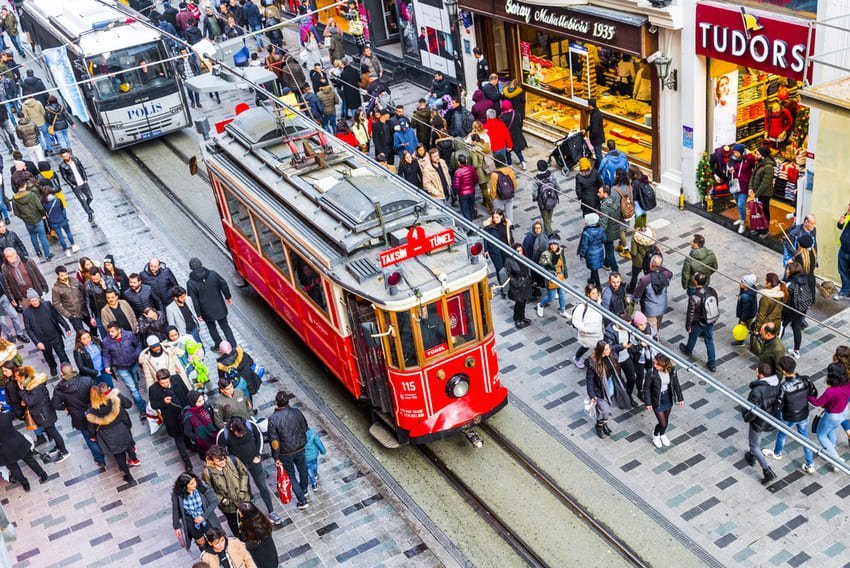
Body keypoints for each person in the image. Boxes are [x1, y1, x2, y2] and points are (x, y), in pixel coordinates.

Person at [219, 416, 283, 525]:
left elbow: (259, 438)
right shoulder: (223, 434)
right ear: (232, 429)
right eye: (239, 434)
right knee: (245, 488)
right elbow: (221, 452)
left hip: (254, 462)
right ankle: (251, 510)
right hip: (239, 466)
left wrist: (258, 454)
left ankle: (271, 511)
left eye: (243, 433)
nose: (242, 435)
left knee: (262, 486)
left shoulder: (250, 425)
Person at [762, 357, 816, 474]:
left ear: (783, 370)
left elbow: (778, 405)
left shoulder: (784, 386)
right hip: (803, 413)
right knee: (805, 438)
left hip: (789, 416)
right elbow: (813, 393)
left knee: (782, 434)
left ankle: (777, 453)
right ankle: (810, 464)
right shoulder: (806, 380)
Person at [51, 362, 104, 466]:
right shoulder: (87, 380)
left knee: (89, 438)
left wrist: (65, 407)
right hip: (94, 412)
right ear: (73, 369)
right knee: (102, 431)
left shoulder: (59, 389)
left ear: (62, 374)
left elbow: (55, 404)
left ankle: (100, 459)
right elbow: (98, 393)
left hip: (78, 417)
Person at [16, 365, 70, 461]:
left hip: (44, 414)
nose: (16, 379)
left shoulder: (34, 387)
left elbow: (31, 401)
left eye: (17, 377)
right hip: (43, 413)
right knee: (51, 431)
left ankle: (64, 451)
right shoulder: (30, 384)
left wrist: (22, 392)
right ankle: (58, 447)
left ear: (23, 377)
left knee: (54, 432)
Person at [268, 390, 310, 510]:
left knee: (291, 475)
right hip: (300, 447)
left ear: (276, 402)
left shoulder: (273, 419)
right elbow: (305, 427)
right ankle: (304, 489)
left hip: (285, 452)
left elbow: (274, 441)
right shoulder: (296, 412)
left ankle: (302, 500)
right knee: (302, 469)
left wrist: (275, 457)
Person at [742, 363, 782, 485]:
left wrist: (746, 417)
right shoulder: (777, 384)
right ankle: (751, 454)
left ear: (760, 375)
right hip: (770, 416)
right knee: (755, 441)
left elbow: (753, 410)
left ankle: (767, 470)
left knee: (754, 444)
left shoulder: (757, 390)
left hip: (758, 421)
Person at [201, 444, 252, 538]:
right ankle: (241, 539)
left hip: (243, 498)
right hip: (228, 506)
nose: (222, 461)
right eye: (219, 460)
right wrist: (223, 500)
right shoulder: (207, 473)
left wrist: (243, 490)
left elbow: (244, 473)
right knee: (234, 523)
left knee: (249, 519)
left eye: (223, 458)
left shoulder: (232, 460)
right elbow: (208, 491)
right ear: (212, 460)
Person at [186, 258, 236, 350]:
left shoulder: (190, 283)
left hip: (206, 310)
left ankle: (219, 345)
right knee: (225, 326)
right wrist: (227, 297)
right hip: (219, 306)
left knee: (212, 328)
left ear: (191, 268)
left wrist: (198, 314)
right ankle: (233, 345)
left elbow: (194, 300)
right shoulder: (213, 274)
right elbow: (223, 284)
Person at [586, 340, 630, 439]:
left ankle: (604, 424)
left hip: (610, 384)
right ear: (601, 351)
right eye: (606, 349)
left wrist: (623, 346)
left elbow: (615, 348)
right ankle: (599, 426)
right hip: (600, 390)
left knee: (607, 408)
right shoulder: (593, 363)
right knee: (604, 411)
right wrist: (592, 395)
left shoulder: (610, 355)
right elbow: (589, 381)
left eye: (608, 348)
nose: (609, 350)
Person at [808, 363, 850, 466]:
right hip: (844, 411)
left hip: (832, 415)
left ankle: (835, 459)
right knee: (832, 429)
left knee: (821, 435)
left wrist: (808, 396)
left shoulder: (830, 391)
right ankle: (831, 447)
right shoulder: (847, 384)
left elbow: (817, 403)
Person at [102, 322, 146, 416]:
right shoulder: (106, 341)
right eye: (109, 332)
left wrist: (136, 355)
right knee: (132, 388)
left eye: (113, 331)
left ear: (119, 330)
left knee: (135, 382)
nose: (111, 334)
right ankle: (142, 408)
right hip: (121, 367)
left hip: (133, 363)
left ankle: (137, 396)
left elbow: (138, 344)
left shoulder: (129, 335)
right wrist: (107, 366)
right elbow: (106, 355)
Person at [23, 289, 71, 376]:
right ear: (29, 301)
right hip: (43, 341)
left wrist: (66, 327)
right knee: (48, 356)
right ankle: (53, 367)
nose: (35, 302)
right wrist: (37, 342)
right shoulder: (26, 313)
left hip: (55, 336)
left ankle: (67, 369)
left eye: (36, 299)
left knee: (62, 354)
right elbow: (28, 329)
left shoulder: (47, 305)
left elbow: (57, 316)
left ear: (39, 298)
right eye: (32, 301)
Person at [678, 272, 719, 372]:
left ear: (695, 282)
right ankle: (712, 363)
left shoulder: (694, 297)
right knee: (709, 340)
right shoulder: (712, 290)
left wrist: (688, 326)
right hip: (709, 321)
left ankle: (688, 350)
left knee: (693, 336)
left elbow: (690, 314)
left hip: (699, 323)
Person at [0, 409, 48, 491]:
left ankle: (25, 484)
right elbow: (16, 414)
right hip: (17, 443)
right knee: (30, 460)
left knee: (14, 468)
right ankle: (43, 475)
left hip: (4, 450)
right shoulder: (6, 416)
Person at [643, 354, 684, 448]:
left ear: (664, 365)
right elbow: (646, 388)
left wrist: (680, 398)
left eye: (657, 364)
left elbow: (676, 384)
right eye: (654, 363)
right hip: (657, 399)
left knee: (666, 420)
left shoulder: (672, 371)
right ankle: (656, 435)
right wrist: (648, 402)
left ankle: (662, 434)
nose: (654, 366)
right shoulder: (651, 373)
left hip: (668, 397)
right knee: (663, 422)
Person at [172, 472, 221, 552]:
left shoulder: (201, 487)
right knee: (201, 543)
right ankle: (207, 557)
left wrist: (203, 516)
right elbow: (175, 509)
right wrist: (176, 526)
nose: (195, 484)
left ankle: (220, 554)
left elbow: (214, 501)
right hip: (191, 521)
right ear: (185, 486)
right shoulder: (178, 494)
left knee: (214, 538)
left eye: (194, 481)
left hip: (206, 517)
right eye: (191, 484)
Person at [11, 180, 51, 260]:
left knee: (33, 236)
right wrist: (43, 214)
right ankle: (47, 255)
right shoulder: (32, 195)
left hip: (28, 221)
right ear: (24, 185)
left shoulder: (14, 199)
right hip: (37, 218)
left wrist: (24, 217)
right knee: (42, 236)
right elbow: (40, 207)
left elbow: (16, 213)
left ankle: (38, 252)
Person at [633, 255, 672, 337]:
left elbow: (636, 296)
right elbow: (669, 272)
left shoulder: (645, 280)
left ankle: (656, 346)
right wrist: (659, 267)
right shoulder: (666, 275)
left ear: (650, 265)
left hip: (650, 310)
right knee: (657, 326)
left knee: (651, 332)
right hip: (662, 306)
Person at [782, 261, 813, 359]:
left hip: (791, 310)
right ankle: (796, 351)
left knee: (782, 327)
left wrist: (782, 314)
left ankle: (775, 346)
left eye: (788, 269)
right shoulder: (804, 278)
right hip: (801, 309)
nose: (786, 271)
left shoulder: (790, 284)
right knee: (797, 328)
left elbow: (786, 301)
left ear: (792, 272)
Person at [58, 149, 95, 224]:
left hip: (83, 183)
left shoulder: (75, 160)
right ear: (62, 157)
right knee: (82, 200)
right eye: (64, 156)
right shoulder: (62, 166)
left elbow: (82, 168)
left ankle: (87, 206)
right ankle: (89, 214)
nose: (66, 157)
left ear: (69, 154)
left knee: (90, 197)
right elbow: (64, 176)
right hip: (75, 185)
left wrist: (85, 178)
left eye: (67, 155)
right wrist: (72, 185)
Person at [572, 283, 604, 369]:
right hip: (587, 334)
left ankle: (597, 361)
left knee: (599, 347)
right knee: (585, 347)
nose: (596, 295)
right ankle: (577, 358)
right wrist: (585, 329)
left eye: (596, 293)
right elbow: (576, 321)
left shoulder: (599, 302)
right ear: (588, 294)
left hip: (597, 331)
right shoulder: (582, 306)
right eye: (593, 293)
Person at [536, 235, 569, 318]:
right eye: (551, 244)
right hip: (551, 277)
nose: (553, 246)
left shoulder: (561, 251)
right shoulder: (545, 254)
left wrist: (565, 273)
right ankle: (540, 305)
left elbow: (563, 263)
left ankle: (562, 310)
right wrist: (551, 272)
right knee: (551, 297)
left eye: (555, 244)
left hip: (560, 275)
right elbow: (542, 267)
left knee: (561, 294)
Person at [237, 502, 278, 568]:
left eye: (240, 512)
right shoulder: (256, 518)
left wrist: (246, 545)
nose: (239, 513)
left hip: (263, 554)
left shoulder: (258, 527)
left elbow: (261, 541)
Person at [483, 209, 513, 293]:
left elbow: (510, 236)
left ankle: (509, 284)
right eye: (494, 217)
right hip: (495, 250)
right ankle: (503, 287)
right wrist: (485, 250)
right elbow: (484, 238)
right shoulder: (489, 226)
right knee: (499, 269)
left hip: (505, 249)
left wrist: (512, 246)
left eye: (497, 217)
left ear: (501, 216)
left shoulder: (506, 224)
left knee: (507, 267)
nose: (495, 219)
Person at [727, 144, 755, 233]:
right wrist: (730, 169)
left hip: (744, 185)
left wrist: (752, 185)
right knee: (737, 202)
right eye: (734, 152)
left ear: (742, 152)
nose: (735, 154)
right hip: (735, 184)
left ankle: (742, 223)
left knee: (741, 204)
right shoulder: (733, 158)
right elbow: (729, 164)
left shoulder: (749, 158)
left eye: (737, 152)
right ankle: (742, 218)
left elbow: (755, 170)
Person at [183, 390, 218, 460]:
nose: (202, 402)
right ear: (193, 403)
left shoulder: (206, 406)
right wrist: (198, 438)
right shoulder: (189, 415)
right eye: (199, 401)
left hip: (215, 435)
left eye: (202, 400)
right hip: (203, 442)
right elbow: (187, 432)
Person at [504, 243, 532, 329]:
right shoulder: (509, 261)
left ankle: (522, 317)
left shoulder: (524, 257)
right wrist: (515, 283)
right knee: (519, 303)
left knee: (523, 301)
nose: (519, 252)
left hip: (525, 283)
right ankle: (517, 319)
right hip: (517, 285)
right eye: (517, 251)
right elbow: (507, 274)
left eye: (520, 250)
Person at [51, 265, 87, 332]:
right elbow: (56, 304)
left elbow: (83, 290)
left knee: (94, 326)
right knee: (81, 333)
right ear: (58, 276)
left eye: (66, 274)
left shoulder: (74, 280)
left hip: (84, 309)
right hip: (73, 314)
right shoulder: (56, 289)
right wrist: (68, 315)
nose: (65, 277)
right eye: (62, 275)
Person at [750, 146, 775, 237]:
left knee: (764, 211)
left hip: (765, 194)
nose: (756, 155)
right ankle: (758, 227)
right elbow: (753, 175)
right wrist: (750, 188)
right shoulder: (759, 163)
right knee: (757, 211)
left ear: (763, 155)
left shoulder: (769, 167)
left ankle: (765, 230)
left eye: (758, 154)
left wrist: (756, 193)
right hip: (758, 193)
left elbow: (766, 183)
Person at [530, 160, 559, 235]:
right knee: (549, 219)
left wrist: (536, 198)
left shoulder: (536, 179)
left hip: (543, 203)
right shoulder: (552, 175)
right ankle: (548, 232)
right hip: (552, 201)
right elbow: (558, 188)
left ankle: (550, 236)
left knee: (546, 221)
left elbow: (535, 193)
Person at [628, 217, 656, 293]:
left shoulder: (636, 237)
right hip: (648, 259)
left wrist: (630, 253)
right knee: (648, 276)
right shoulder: (650, 233)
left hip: (638, 261)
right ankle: (649, 290)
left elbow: (634, 252)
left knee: (634, 276)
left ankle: (631, 290)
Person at [578, 213, 606, 289]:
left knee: (594, 270)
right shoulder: (601, 229)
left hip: (591, 254)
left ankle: (598, 286)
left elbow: (584, 246)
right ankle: (591, 280)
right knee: (594, 268)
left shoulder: (586, 233)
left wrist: (582, 254)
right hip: (599, 251)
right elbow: (604, 239)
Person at [598, 185, 621, 272]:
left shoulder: (604, 207)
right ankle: (606, 263)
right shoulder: (614, 199)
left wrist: (599, 233)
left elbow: (604, 223)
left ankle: (615, 269)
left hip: (608, 232)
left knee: (609, 251)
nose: (598, 194)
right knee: (609, 248)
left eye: (600, 192)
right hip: (615, 228)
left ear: (605, 194)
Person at [500, 100, 527, 169]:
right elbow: (521, 124)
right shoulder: (516, 113)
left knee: (508, 151)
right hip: (517, 135)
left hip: (508, 136)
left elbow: (502, 129)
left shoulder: (503, 117)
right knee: (518, 150)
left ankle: (510, 164)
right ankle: (523, 162)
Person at [733, 274, 758, 347]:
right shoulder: (750, 289)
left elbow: (745, 310)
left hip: (747, 316)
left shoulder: (745, 297)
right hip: (751, 313)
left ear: (746, 285)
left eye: (742, 282)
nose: (740, 283)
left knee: (742, 327)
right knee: (746, 326)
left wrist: (742, 320)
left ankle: (740, 341)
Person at [453, 154, 478, 221]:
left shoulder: (458, 172)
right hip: (472, 191)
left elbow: (456, 185)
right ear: (466, 161)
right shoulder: (471, 168)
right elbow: (476, 178)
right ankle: (471, 219)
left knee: (465, 209)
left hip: (462, 193)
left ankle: (469, 223)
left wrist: (456, 192)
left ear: (458, 162)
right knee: (471, 206)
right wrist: (473, 185)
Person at [303, 427, 326, 492]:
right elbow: (318, 442)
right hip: (314, 453)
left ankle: (314, 484)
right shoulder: (312, 432)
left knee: (309, 469)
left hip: (306, 456)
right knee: (315, 464)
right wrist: (323, 451)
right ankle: (315, 474)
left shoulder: (298, 435)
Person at [835, 202, 850, 301]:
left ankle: (846, 292)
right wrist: (840, 222)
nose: (848, 207)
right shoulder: (847, 215)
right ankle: (845, 291)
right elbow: (840, 226)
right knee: (843, 271)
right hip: (844, 249)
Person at [586, 98, 605, 165]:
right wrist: (586, 130)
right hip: (598, 137)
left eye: (588, 105)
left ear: (591, 105)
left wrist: (591, 137)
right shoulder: (596, 112)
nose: (587, 106)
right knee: (598, 153)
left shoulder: (594, 115)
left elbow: (594, 128)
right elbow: (592, 125)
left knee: (598, 154)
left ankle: (601, 169)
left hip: (597, 139)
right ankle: (599, 165)